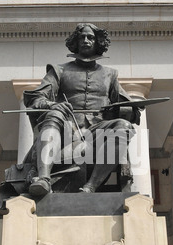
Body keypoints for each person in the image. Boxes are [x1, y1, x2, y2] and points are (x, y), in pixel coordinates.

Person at [23, 23, 142, 196]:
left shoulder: (110, 74)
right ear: (75, 41)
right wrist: (52, 105)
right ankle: (43, 179)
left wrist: (123, 111)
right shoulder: (59, 71)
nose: (86, 40)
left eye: (90, 37)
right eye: (82, 37)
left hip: (98, 130)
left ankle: (90, 186)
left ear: (98, 42)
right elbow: (35, 99)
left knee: (123, 126)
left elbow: (130, 111)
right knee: (54, 114)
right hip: (67, 128)